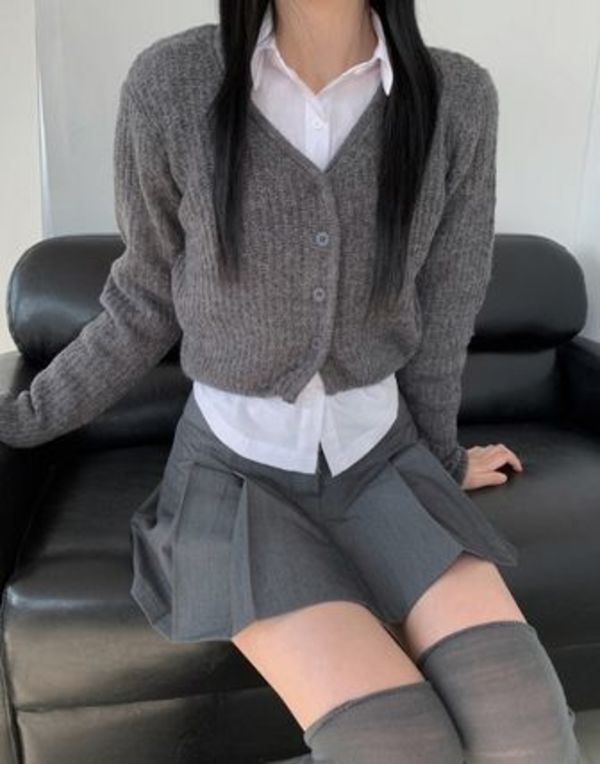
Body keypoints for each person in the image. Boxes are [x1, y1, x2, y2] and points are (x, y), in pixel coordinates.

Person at [0, 1, 584, 762]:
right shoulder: (172, 83)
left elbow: (445, 314)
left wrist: (440, 464)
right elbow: (142, 302)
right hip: (236, 483)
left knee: (530, 735)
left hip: (386, 466)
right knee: (398, 745)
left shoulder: (456, 99)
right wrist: (19, 420)